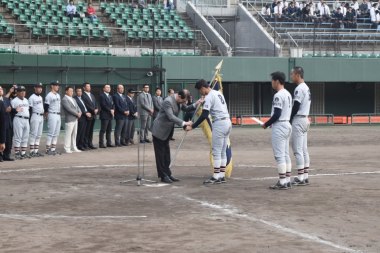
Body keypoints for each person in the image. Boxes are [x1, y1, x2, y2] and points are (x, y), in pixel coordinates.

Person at [186, 79, 232, 185]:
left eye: (200, 90)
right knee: (223, 150)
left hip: (219, 124)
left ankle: (216, 176)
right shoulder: (218, 93)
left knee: (216, 151)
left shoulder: (209, 96)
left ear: (203, 88)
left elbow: (204, 115)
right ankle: (221, 175)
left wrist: (193, 126)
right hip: (227, 122)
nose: (200, 93)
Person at [152, 90, 192, 183]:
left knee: (166, 154)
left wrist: (197, 103)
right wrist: (184, 123)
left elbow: (186, 108)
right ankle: (163, 176)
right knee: (160, 155)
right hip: (159, 131)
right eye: (183, 101)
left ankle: (168, 173)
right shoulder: (168, 101)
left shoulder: (179, 101)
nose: (183, 103)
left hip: (167, 132)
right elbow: (171, 117)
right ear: (179, 96)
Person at [261, 71, 292, 190]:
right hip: (287, 124)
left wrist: (266, 124)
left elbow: (277, 114)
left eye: (272, 80)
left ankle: (282, 182)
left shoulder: (278, 95)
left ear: (277, 81)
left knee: (280, 156)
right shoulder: (288, 93)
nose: (271, 83)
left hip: (280, 126)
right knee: (285, 154)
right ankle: (287, 180)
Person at [289, 67, 311, 186]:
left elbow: (296, 106)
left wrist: (289, 118)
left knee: (298, 150)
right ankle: (305, 176)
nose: (291, 76)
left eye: (292, 74)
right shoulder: (306, 87)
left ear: (297, 74)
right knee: (303, 150)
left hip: (299, 119)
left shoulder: (299, 88)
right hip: (305, 119)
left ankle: (301, 178)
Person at [11, 86, 30, 159]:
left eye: (24, 91)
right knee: (18, 137)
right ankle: (17, 153)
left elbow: (28, 109)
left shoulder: (26, 100)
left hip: (26, 120)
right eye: (21, 91)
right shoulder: (14, 101)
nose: (23, 92)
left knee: (25, 137)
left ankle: (23, 153)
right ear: (17, 92)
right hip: (18, 119)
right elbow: (11, 112)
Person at [61, 86, 82, 154]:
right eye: (70, 91)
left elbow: (78, 107)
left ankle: (74, 147)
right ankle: (67, 148)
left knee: (74, 134)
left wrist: (80, 112)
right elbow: (69, 109)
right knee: (68, 134)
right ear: (66, 91)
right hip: (69, 119)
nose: (72, 92)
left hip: (75, 119)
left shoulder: (73, 99)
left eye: (72, 91)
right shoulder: (64, 99)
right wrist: (77, 114)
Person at [44, 81, 61, 155]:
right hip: (52, 114)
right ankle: (47, 150)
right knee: (51, 133)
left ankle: (53, 149)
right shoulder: (49, 95)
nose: (57, 86)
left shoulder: (58, 95)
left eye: (58, 85)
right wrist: (46, 116)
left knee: (56, 133)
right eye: (56, 85)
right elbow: (46, 107)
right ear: (52, 86)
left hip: (58, 115)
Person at [28, 83, 45, 157]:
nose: (40, 89)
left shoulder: (41, 97)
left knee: (39, 135)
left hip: (41, 116)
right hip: (35, 115)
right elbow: (30, 109)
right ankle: (31, 151)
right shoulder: (31, 97)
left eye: (41, 87)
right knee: (33, 134)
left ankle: (36, 151)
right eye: (38, 87)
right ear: (35, 88)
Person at [74, 87, 91, 151]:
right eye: (78, 91)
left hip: (85, 117)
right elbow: (78, 108)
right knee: (79, 132)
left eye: (80, 91)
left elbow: (85, 107)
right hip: (80, 117)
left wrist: (87, 112)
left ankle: (81, 145)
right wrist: (85, 113)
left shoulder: (82, 99)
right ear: (76, 92)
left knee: (83, 132)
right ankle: (77, 145)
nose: (80, 92)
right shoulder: (75, 99)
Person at [81, 82, 98, 149]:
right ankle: (85, 144)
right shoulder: (83, 95)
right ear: (84, 88)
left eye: (89, 86)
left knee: (91, 131)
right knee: (86, 131)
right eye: (87, 86)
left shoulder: (92, 95)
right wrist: (93, 110)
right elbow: (85, 105)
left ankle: (90, 143)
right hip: (87, 116)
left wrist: (96, 109)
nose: (89, 87)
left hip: (93, 115)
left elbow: (95, 103)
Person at [0, 85, 14, 161]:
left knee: (8, 140)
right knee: (1, 140)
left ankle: (6, 155)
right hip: (1, 123)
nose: (0, 90)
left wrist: (12, 110)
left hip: (8, 122)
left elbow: (11, 109)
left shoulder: (5, 99)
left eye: (1, 89)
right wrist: (5, 110)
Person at [99, 84, 114, 148]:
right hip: (104, 115)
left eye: (109, 87)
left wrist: (113, 109)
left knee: (109, 130)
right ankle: (101, 143)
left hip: (110, 115)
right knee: (103, 130)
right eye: (107, 87)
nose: (109, 88)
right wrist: (110, 110)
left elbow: (113, 104)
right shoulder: (102, 95)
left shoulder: (110, 96)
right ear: (104, 89)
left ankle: (109, 143)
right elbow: (103, 105)